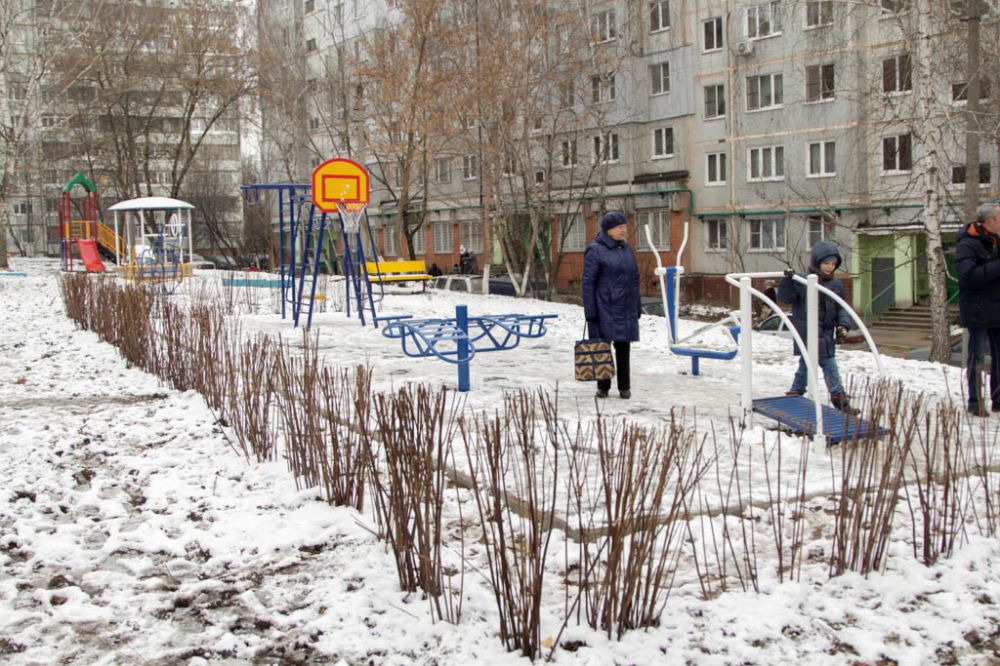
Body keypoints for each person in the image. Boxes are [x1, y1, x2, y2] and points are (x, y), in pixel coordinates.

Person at [778, 241, 852, 412]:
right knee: (829, 365)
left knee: (807, 364)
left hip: (825, 335)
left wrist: (843, 325)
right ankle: (839, 398)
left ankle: (795, 392)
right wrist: (787, 281)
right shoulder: (803, 280)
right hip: (807, 333)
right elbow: (786, 298)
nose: (830, 267)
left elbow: (842, 308)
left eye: (833, 264)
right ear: (817, 262)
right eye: (826, 263)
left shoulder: (836, 285)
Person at [582, 210, 641, 399]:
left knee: (624, 346)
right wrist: (590, 311)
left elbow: (634, 279)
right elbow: (588, 282)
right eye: (620, 227)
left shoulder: (625, 249)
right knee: (602, 347)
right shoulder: (595, 249)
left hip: (625, 306)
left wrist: (637, 305)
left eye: (625, 226)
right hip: (604, 307)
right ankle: (603, 387)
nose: (624, 230)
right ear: (609, 229)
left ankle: (625, 386)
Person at [954, 202, 1000, 416]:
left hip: (996, 308)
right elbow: (968, 276)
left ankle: (998, 399)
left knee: (998, 357)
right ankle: (976, 401)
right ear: (990, 221)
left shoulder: (995, 241)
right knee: (978, 356)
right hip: (977, 310)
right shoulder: (967, 244)